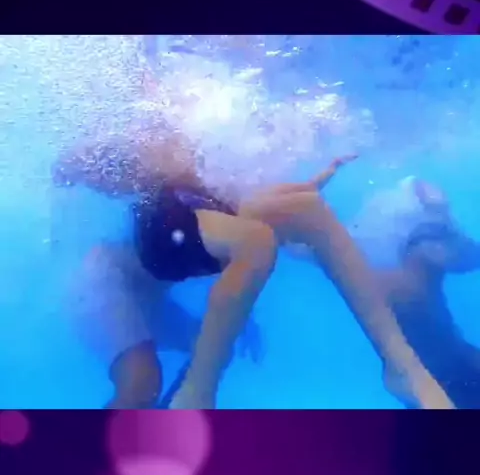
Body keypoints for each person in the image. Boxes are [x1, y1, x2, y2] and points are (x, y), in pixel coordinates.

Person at [53, 135, 453, 410]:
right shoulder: (162, 151)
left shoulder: (222, 187)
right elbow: (73, 165)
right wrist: (94, 161)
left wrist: (240, 305)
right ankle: (182, 405)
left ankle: (403, 367)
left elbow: (293, 225)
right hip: (107, 282)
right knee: (142, 383)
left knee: (299, 217)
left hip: (155, 288)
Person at [366, 178, 480, 409]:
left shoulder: (425, 275)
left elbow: (469, 256)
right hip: (430, 379)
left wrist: (441, 213)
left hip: (450, 365)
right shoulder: (394, 285)